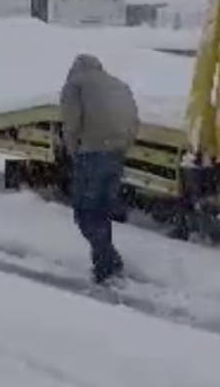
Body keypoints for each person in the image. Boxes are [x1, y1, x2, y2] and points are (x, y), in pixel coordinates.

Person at [59, 53, 139, 284]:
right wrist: (122, 147)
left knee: (84, 213)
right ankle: (105, 261)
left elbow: (71, 124)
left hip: (91, 154)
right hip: (116, 155)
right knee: (101, 211)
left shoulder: (75, 86)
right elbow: (134, 121)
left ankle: (108, 262)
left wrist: (74, 152)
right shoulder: (119, 85)